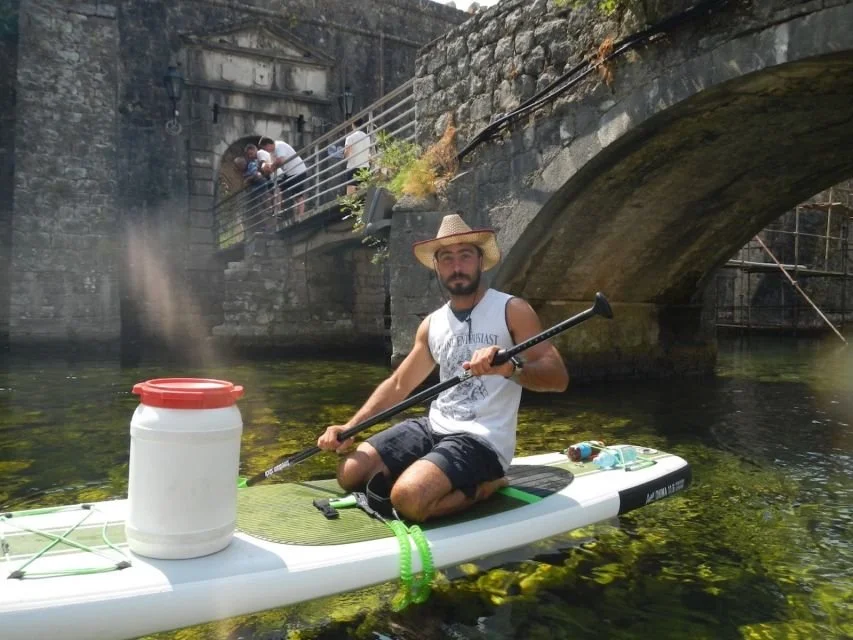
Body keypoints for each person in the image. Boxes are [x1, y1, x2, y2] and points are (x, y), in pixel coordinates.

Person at [318, 213, 569, 522]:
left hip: (482, 439)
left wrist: (510, 368)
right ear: (437, 266)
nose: (457, 267)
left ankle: (490, 484)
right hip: (433, 426)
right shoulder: (433, 323)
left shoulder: (512, 310)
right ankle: (428, 472)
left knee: (407, 499)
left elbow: (558, 378)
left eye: (465, 256)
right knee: (350, 472)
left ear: (480, 261)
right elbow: (399, 384)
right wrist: (349, 427)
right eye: (447, 259)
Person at [259, 137, 309, 221]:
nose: (266, 150)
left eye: (265, 148)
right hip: (289, 173)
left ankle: (301, 215)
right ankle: (281, 212)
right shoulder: (272, 153)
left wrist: (271, 166)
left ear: (268, 144)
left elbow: (280, 161)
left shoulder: (279, 146)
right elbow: (273, 166)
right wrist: (268, 167)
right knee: (280, 188)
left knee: (297, 195)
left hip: (298, 171)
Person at [343, 119, 371, 195]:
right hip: (365, 166)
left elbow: (347, 152)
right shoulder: (367, 137)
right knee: (363, 192)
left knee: (351, 192)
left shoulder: (350, 137)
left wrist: (344, 156)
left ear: (353, 124)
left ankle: (352, 207)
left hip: (353, 166)